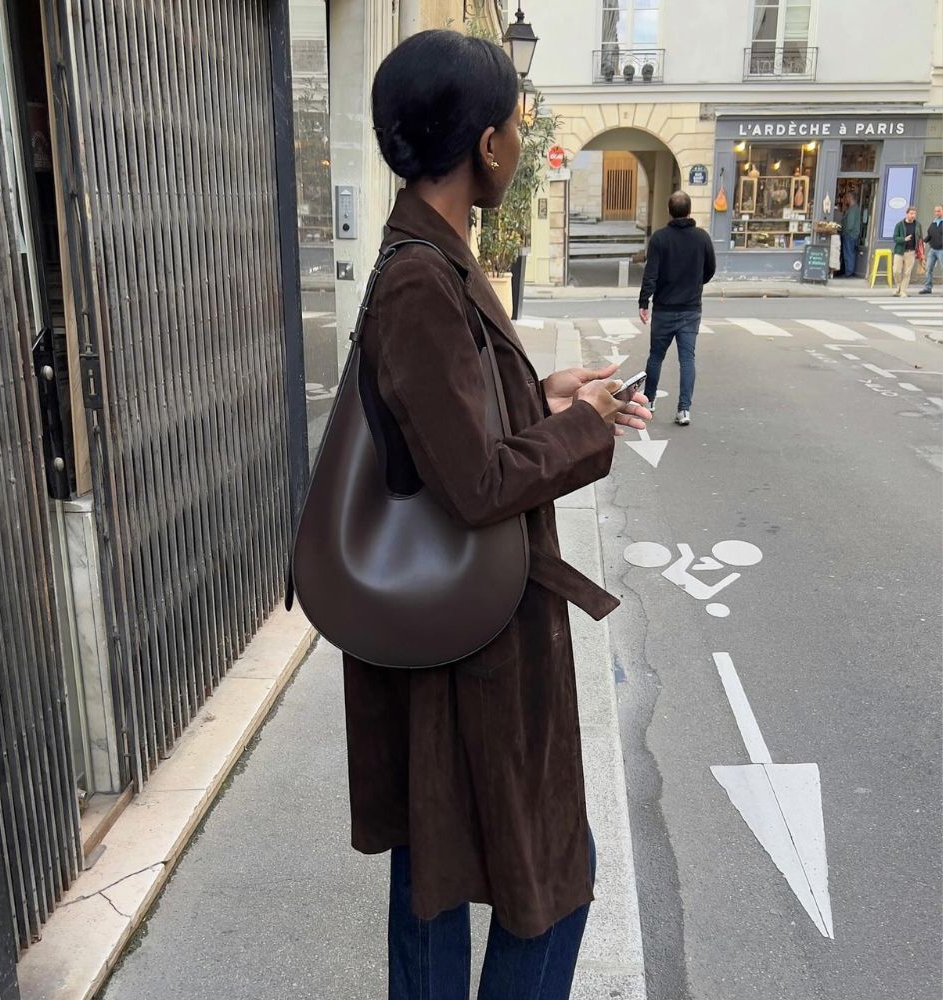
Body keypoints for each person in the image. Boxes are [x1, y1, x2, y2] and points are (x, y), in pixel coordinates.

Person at [346, 30, 651, 1000]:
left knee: (438, 873)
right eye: (516, 125)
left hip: (456, 628)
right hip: (470, 644)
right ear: (485, 145)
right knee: (551, 876)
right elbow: (473, 483)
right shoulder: (419, 281)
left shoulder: (430, 261)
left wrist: (548, 396)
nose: (520, 143)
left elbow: (448, 427)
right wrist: (582, 430)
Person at [638, 191, 716, 426]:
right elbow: (710, 269)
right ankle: (684, 410)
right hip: (691, 309)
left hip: (664, 309)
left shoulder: (660, 239)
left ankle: (649, 401)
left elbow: (651, 273)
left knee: (656, 356)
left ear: (669, 211)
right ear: (689, 210)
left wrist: (644, 302)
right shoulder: (702, 237)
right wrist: (694, 283)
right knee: (687, 360)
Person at [892, 206, 922, 297]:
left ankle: (903, 291)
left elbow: (920, 238)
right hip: (900, 251)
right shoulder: (899, 225)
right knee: (896, 271)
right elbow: (895, 238)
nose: (913, 216)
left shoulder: (918, 225)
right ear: (907, 214)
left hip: (911, 252)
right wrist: (903, 239)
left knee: (907, 273)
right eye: (911, 214)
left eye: (914, 214)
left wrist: (921, 248)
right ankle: (898, 287)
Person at [919, 204, 943, 294]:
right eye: (936, 211)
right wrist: (924, 242)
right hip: (932, 250)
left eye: (939, 211)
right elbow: (930, 235)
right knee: (929, 269)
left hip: (942, 250)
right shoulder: (933, 223)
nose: (937, 213)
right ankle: (928, 288)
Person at [840, 192, 862, 277]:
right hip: (851, 235)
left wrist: (843, 231)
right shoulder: (853, 208)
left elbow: (850, 225)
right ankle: (848, 271)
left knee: (848, 253)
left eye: (847, 198)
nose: (846, 200)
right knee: (850, 253)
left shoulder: (853, 210)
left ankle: (848, 272)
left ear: (850, 198)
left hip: (850, 235)